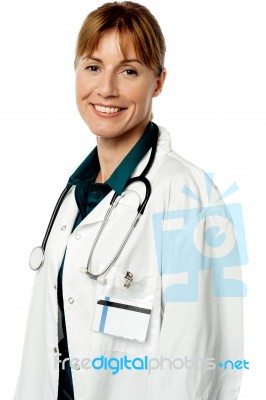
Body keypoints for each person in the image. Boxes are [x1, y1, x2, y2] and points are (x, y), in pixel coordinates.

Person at [13, 2, 244, 399]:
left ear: (159, 82)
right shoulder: (76, 194)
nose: (106, 89)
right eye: (93, 66)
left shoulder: (188, 198)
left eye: (130, 70)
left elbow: (194, 363)